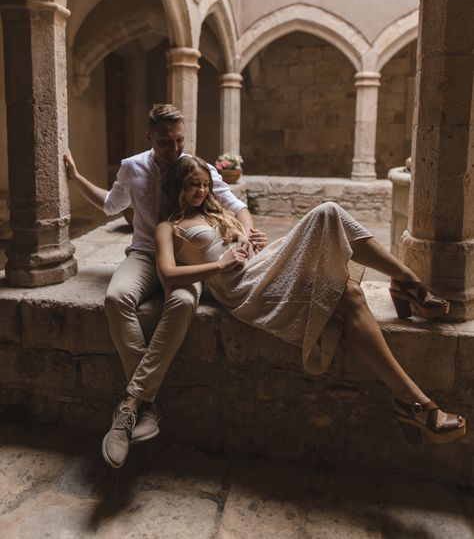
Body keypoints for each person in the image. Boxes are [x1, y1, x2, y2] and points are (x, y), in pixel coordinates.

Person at [155, 156, 466, 445]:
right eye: (193, 184)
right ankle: (408, 286)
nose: (202, 190)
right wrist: (220, 264)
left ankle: (412, 402)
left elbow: (243, 232)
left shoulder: (216, 213)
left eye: (206, 184)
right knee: (328, 214)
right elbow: (169, 275)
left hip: (260, 266)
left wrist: (251, 242)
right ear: (178, 186)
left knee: (350, 292)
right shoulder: (168, 228)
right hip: (242, 288)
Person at [64, 104, 266, 469]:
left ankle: (131, 402)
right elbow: (111, 206)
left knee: (185, 304)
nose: (174, 149)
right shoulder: (133, 167)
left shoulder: (193, 167)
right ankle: (148, 404)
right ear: (149, 139)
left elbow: (237, 205)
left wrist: (247, 233)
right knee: (115, 297)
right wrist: (76, 178)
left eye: (179, 140)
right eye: (165, 142)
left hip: (186, 257)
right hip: (144, 253)